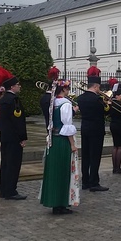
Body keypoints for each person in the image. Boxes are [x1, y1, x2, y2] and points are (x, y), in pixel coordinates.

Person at [40, 80, 80, 215]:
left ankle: (53, 201)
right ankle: (61, 203)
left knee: (54, 171)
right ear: (63, 90)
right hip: (62, 141)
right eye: (67, 89)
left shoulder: (53, 102)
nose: (68, 91)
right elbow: (67, 126)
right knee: (63, 171)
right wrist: (73, 145)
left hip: (53, 140)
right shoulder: (66, 104)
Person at [77, 66, 109, 192]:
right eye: (99, 87)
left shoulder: (81, 98)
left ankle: (85, 182)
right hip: (96, 130)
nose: (99, 89)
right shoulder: (97, 99)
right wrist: (108, 104)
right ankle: (94, 182)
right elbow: (104, 113)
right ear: (96, 86)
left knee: (85, 155)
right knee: (95, 156)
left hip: (85, 128)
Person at [0, 72, 27, 200]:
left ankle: (4, 190)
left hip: (5, 136)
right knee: (13, 164)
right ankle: (11, 191)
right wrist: (22, 137)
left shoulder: (3, 99)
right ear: (12, 87)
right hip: (14, 137)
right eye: (17, 85)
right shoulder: (14, 100)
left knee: (5, 163)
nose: (19, 87)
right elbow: (18, 120)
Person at [108, 78, 121, 174]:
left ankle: (114, 167)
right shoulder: (120, 104)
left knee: (115, 146)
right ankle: (118, 168)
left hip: (113, 125)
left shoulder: (111, 104)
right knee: (120, 147)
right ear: (118, 96)